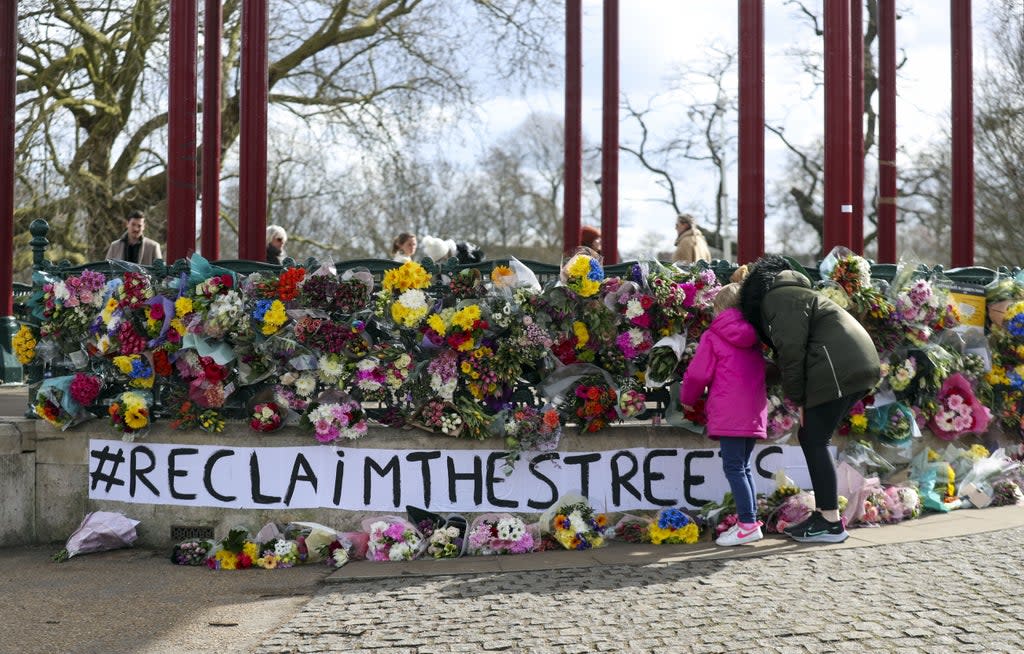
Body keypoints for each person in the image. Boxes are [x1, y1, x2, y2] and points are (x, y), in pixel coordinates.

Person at [739, 254, 881, 544]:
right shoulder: (799, 293)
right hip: (855, 364)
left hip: (837, 367)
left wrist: (797, 397)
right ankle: (825, 516)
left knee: (814, 439)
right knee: (812, 437)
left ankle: (830, 521)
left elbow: (792, 352)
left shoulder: (777, 299)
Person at [679, 283, 768, 546]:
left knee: (734, 468)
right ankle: (750, 521)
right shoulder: (755, 336)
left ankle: (748, 524)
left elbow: (697, 374)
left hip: (729, 413)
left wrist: (687, 399)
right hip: (752, 411)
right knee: (744, 467)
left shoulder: (713, 335)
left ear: (718, 308)